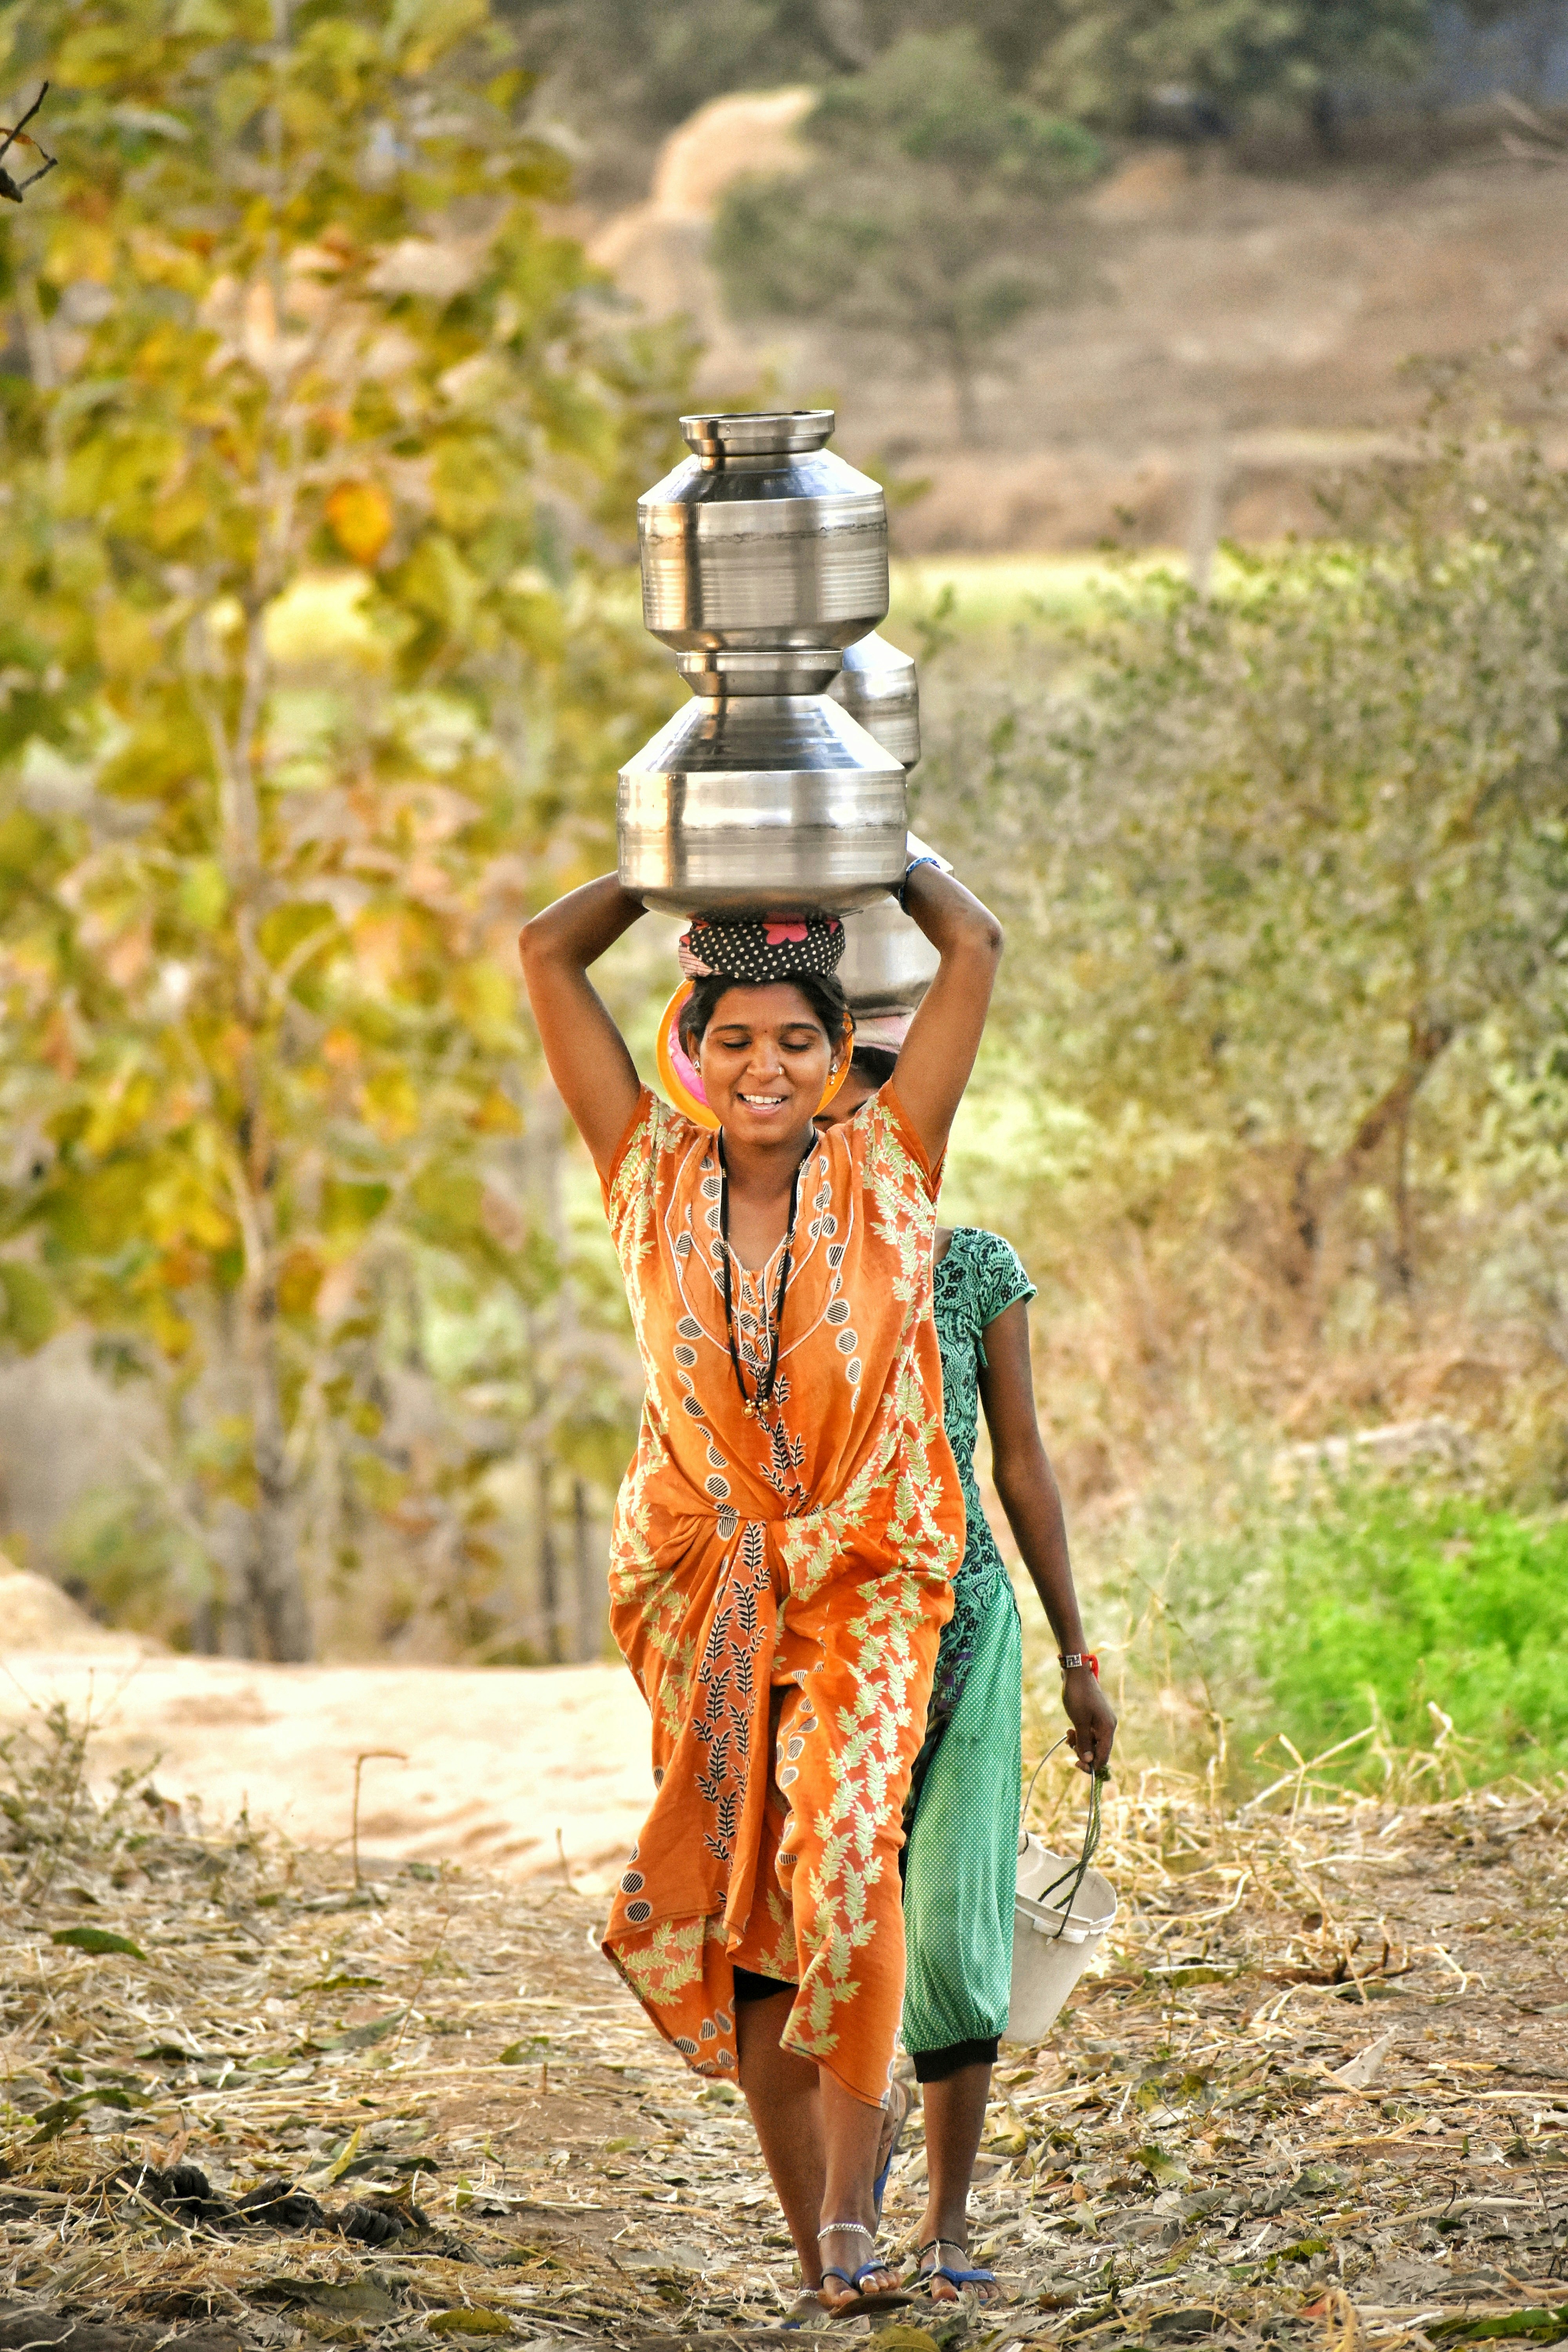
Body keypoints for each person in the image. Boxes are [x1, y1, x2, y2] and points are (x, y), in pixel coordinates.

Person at [519, 862, 1002, 2315]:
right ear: (690, 1047)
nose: (766, 1068)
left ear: (841, 1052)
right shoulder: (642, 1171)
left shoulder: (892, 1165)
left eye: (797, 1039)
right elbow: (546, 952)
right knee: (748, 1923)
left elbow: (971, 941)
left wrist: (868, 844)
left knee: (849, 1868)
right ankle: (817, 2253)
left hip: (862, 1576)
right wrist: (673, 850)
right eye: (733, 1039)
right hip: (700, 1584)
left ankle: (858, 2215)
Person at [816, 1039, 1118, 2304]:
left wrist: (1076, 1653)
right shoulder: (771, 1275)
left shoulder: (976, 1266)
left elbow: (1025, 1466)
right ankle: (841, 2221)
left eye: (882, 1114)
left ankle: (945, 2228)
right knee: (842, 1914)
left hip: (974, 1625)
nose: (863, 1142)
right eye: (838, 1122)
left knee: (954, 1926)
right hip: (832, 1636)